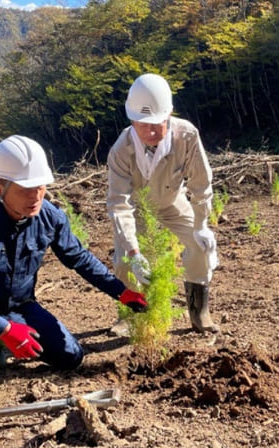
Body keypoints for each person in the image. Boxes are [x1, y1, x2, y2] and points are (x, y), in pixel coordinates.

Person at [0, 135, 148, 406]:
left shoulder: (50, 217)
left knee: (71, 357)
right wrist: (5, 328)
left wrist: (121, 292)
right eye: (25, 189)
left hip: (20, 305)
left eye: (41, 187)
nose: (36, 197)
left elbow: (78, 258)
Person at [106, 73, 220, 334]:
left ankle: (199, 312)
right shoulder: (121, 150)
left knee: (200, 246)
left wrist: (202, 224)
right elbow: (119, 204)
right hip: (137, 209)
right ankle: (129, 316)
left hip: (172, 202)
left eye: (158, 123)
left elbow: (201, 185)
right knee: (124, 262)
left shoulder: (187, 136)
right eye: (143, 124)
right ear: (132, 120)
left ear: (168, 115)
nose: (152, 131)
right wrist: (134, 252)